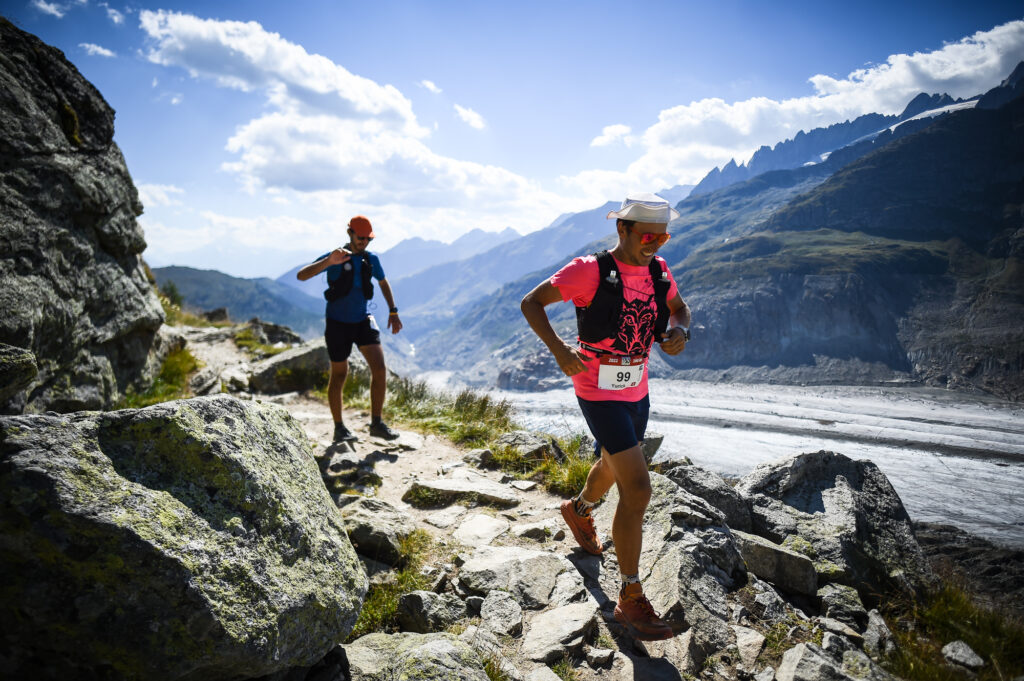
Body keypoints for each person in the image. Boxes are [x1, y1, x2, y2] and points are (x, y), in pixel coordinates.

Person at [520, 192, 691, 641]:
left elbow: (679, 309)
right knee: (638, 488)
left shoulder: (659, 271)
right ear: (622, 229)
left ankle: (578, 510)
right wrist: (560, 350)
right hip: (597, 390)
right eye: (648, 236)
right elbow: (531, 303)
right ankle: (630, 596)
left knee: (612, 465)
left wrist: (680, 331)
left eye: (662, 237)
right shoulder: (588, 270)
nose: (655, 244)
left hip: (637, 390)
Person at [297, 215, 403, 442]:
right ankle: (339, 428)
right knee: (339, 375)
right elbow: (302, 275)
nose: (364, 242)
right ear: (350, 234)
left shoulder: (371, 259)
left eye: (368, 239)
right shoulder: (335, 256)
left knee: (380, 368)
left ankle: (377, 423)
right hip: (337, 323)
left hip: (362, 320)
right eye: (360, 237)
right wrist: (328, 262)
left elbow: (383, 282)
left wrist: (393, 311)